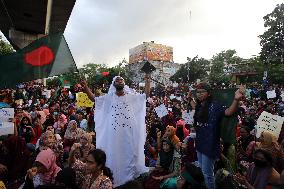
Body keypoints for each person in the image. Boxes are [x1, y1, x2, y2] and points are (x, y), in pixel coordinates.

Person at [81, 76, 148, 187]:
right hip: (112, 137)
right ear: (113, 84)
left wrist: (147, 80)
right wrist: (86, 87)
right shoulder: (109, 98)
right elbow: (94, 99)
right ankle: (112, 181)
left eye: (121, 80)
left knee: (128, 158)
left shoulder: (131, 97)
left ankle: (128, 184)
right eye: (117, 80)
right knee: (112, 157)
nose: (119, 81)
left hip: (128, 137)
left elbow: (145, 96)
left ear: (124, 83)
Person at [191, 82, 244, 189]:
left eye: (202, 92)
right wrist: (189, 99)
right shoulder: (199, 106)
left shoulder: (214, 105)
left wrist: (236, 99)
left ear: (209, 93)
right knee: (202, 170)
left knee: (207, 174)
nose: (199, 94)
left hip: (210, 144)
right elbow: (194, 107)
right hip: (200, 143)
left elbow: (228, 112)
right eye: (197, 92)